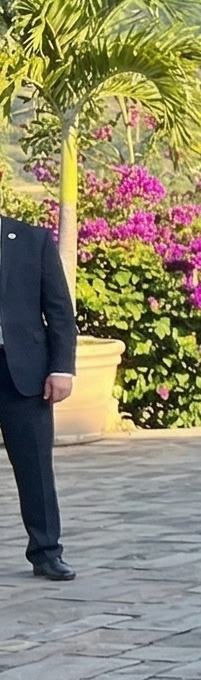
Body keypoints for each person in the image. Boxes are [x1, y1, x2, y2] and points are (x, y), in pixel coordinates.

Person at [0, 214, 76, 581]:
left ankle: (46, 553)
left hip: (24, 374)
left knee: (35, 469)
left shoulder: (33, 240)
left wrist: (62, 368)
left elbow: (59, 310)